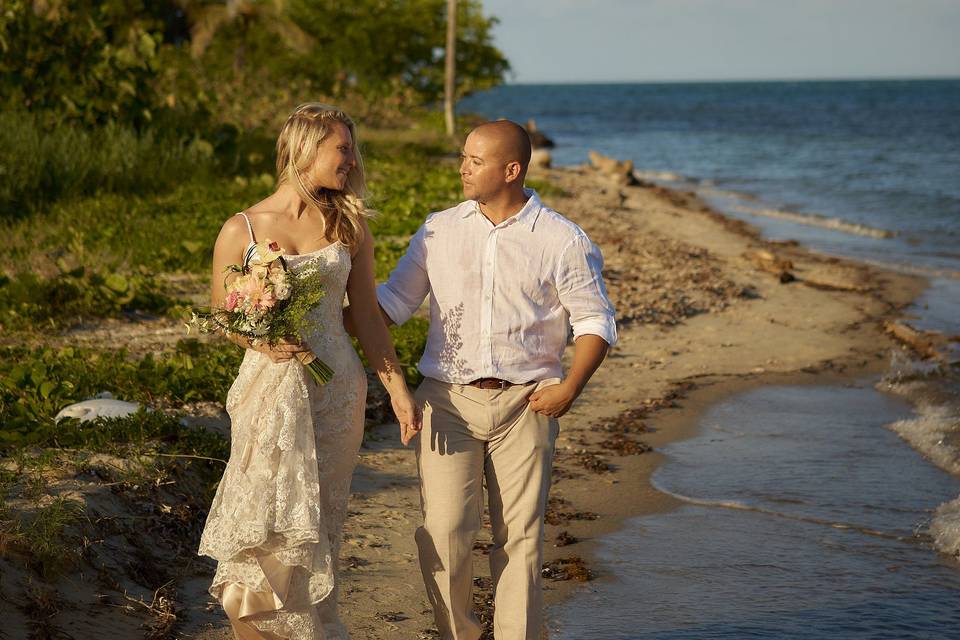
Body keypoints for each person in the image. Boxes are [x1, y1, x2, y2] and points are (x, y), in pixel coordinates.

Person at [373, 120, 616, 640]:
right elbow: (392, 303)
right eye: (463, 157)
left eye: (474, 161)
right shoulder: (438, 228)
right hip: (446, 400)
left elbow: (595, 321)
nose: (462, 168)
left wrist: (570, 387)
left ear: (512, 170)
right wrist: (315, 300)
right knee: (443, 534)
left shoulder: (561, 238)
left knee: (521, 539)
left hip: (527, 405)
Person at [197, 103, 421, 640]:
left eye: (352, 149)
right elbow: (222, 317)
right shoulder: (242, 228)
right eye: (343, 148)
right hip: (268, 391)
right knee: (261, 522)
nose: (352, 160)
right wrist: (261, 337)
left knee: (319, 525)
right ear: (305, 148)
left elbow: (366, 316)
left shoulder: (348, 224)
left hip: (337, 391)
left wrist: (397, 389)